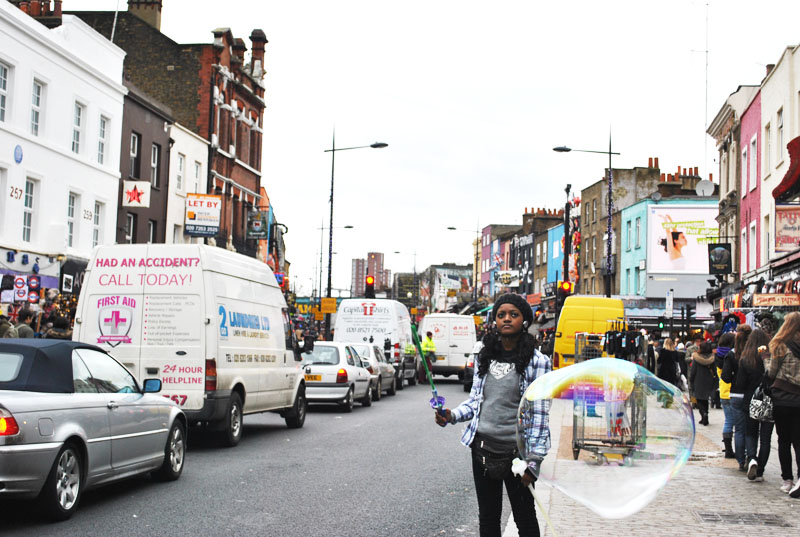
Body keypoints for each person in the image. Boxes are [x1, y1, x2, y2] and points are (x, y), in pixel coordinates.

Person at [434, 293, 550, 537]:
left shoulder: (538, 361)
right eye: (501, 315)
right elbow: (476, 401)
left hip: (516, 454)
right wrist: (451, 414)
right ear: (495, 321)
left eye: (513, 314)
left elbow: (539, 413)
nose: (506, 319)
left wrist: (534, 460)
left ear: (525, 321)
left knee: (525, 519)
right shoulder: (484, 355)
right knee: (488, 519)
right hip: (482, 449)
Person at [766, 312, 800, 497]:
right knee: (799, 441)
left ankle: (787, 480)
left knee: (784, 441)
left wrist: (765, 361)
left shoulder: (780, 345)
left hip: (783, 399)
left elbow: (771, 372)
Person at [735, 329, 774, 482]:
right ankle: (761, 469)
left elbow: (740, 383)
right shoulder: (771, 359)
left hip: (751, 401)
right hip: (769, 401)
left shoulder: (745, 359)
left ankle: (752, 459)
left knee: (751, 432)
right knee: (766, 438)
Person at [714, 332, 736, 459]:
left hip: (723, 391)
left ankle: (728, 449)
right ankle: (735, 449)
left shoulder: (718, 356)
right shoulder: (732, 355)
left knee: (728, 421)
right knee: (738, 424)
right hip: (733, 391)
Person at [689, 341, 717, 426]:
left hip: (698, 381)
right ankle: (705, 415)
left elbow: (693, 372)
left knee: (698, 400)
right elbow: (715, 372)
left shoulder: (696, 358)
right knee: (705, 400)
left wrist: (691, 381)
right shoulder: (712, 359)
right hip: (709, 381)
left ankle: (703, 413)